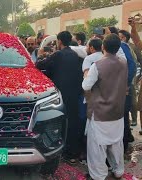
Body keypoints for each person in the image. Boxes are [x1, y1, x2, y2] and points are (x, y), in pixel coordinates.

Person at [83, 34, 127, 180]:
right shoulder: (123, 62)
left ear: (103, 47)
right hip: (117, 111)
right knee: (116, 145)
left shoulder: (97, 66)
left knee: (97, 148)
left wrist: (86, 74)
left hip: (100, 112)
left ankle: (98, 175)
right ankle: (118, 171)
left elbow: (86, 85)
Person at [37, 31, 83, 163]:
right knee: (73, 122)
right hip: (74, 93)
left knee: (60, 122)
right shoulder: (75, 55)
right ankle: (73, 152)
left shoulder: (57, 54)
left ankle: (60, 150)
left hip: (60, 95)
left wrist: (40, 56)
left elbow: (40, 66)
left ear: (59, 41)